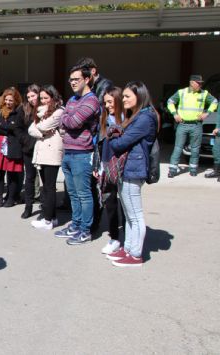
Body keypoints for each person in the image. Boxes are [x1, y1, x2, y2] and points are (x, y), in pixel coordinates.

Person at [106, 81, 158, 267]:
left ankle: (135, 254)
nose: (124, 99)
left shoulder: (144, 118)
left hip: (134, 169)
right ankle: (128, 248)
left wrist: (113, 134)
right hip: (128, 168)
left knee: (135, 214)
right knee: (129, 214)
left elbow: (120, 143)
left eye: (128, 96)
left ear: (140, 96)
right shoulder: (136, 116)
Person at [54, 65, 101, 245]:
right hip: (68, 152)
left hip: (82, 154)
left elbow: (71, 121)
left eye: (76, 79)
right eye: (71, 79)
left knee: (83, 194)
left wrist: (66, 119)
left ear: (87, 79)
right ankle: (76, 224)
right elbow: (64, 120)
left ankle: (85, 230)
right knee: (73, 194)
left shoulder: (91, 101)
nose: (72, 82)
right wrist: (66, 119)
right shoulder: (73, 99)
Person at [93, 86, 126, 253]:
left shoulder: (128, 119)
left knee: (126, 204)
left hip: (123, 167)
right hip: (106, 166)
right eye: (105, 102)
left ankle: (128, 238)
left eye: (110, 102)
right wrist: (96, 165)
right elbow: (97, 145)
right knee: (110, 203)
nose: (107, 106)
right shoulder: (104, 120)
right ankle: (114, 238)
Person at [167, 75, 218, 177]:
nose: (200, 85)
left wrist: (207, 113)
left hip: (196, 125)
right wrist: (175, 114)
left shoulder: (204, 93)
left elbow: (215, 102)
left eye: (201, 83)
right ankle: (172, 169)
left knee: (195, 148)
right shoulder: (182, 92)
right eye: (198, 83)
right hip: (183, 124)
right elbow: (170, 102)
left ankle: (193, 169)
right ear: (191, 83)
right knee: (178, 147)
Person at [29, 85, 64, 230]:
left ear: (53, 97)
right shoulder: (40, 111)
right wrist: (42, 132)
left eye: (46, 98)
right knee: (46, 186)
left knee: (49, 187)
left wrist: (41, 128)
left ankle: (48, 220)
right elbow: (32, 129)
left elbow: (43, 126)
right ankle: (53, 217)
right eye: (41, 98)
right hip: (42, 150)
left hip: (52, 151)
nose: (43, 101)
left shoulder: (59, 111)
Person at [0, 88, 25, 208]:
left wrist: (2, 126)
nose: (8, 102)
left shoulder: (19, 112)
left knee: (12, 175)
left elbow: (16, 128)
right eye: (6, 100)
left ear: (16, 101)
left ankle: (11, 197)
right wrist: (6, 127)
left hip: (12, 145)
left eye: (11, 100)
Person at [21, 84, 41, 218]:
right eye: (28, 97)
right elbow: (18, 128)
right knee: (29, 178)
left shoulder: (45, 108)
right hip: (28, 148)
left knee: (45, 179)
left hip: (44, 148)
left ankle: (46, 206)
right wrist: (26, 141)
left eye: (33, 95)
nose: (30, 99)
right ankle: (28, 206)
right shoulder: (24, 109)